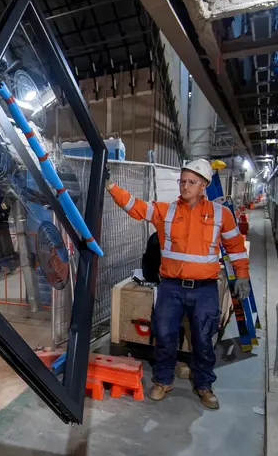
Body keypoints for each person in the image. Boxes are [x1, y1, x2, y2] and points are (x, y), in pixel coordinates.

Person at [106, 158, 250, 410]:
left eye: (191, 182)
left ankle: (204, 385)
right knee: (164, 335)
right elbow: (135, 207)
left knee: (204, 338)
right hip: (171, 287)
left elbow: (235, 248)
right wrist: (110, 186)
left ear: (204, 184)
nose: (185, 186)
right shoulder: (166, 211)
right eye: (182, 181)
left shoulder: (221, 214)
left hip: (205, 289)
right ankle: (163, 380)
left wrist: (243, 275)